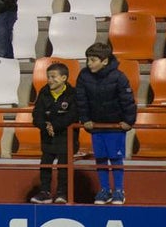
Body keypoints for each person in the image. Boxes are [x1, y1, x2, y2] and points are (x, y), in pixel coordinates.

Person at [75, 42, 136, 205]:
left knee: (115, 159)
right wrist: (85, 119)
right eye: (88, 60)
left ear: (105, 61)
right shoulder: (83, 76)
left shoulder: (119, 77)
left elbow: (128, 101)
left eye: (93, 60)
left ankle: (118, 191)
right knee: (100, 159)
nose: (89, 63)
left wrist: (128, 121)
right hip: (96, 127)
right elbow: (81, 100)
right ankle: (104, 190)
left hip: (115, 127)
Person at [29, 62, 79, 204]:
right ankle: (45, 192)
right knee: (45, 165)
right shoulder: (44, 93)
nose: (50, 80)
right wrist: (45, 126)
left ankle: (62, 193)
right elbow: (37, 114)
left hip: (66, 137)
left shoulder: (73, 94)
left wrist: (55, 126)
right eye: (48, 77)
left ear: (64, 78)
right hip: (47, 137)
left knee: (63, 167)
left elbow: (74, 115)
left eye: (53, 77)